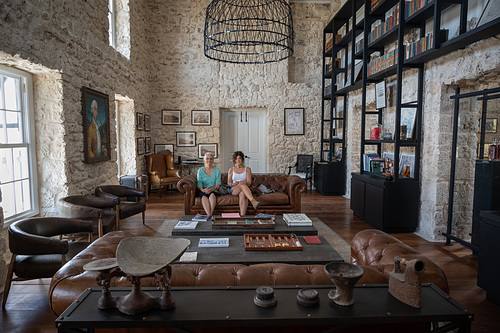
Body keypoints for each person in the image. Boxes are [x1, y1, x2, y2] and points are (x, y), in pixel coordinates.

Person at [227, 151, 260, 216]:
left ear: (242, 159)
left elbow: (249, 182)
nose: (238, 160)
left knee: (242, 194)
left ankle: (242, 216)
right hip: (234, 189)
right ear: (234, 160)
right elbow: (229, 183)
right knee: (241, 184)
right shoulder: (231, 169)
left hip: (244, 189)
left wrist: (245, 182)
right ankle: (253, 201)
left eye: (239, 158)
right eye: (236, 159)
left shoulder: (247, 169)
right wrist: (234, 184)